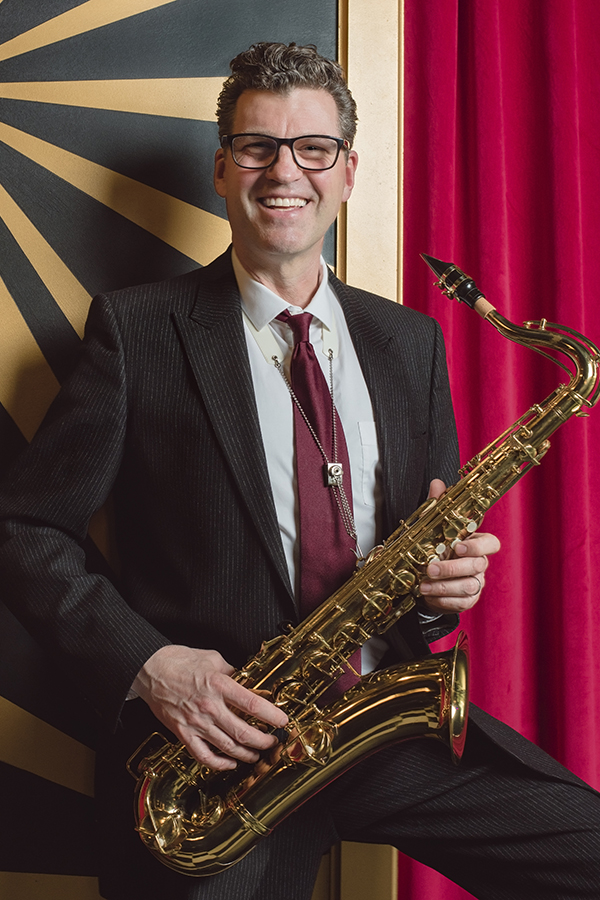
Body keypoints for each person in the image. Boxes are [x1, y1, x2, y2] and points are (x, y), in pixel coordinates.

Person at [0, 42, 598, 900]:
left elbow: (425, 574)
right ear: (222, 167)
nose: (286, 171)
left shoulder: (409, 343)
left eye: (313, 148)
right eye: (258, 146)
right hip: (213, 745)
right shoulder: (137, 332)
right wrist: (153, 666)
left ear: (349, 170)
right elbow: (27, 528)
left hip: (375, 726)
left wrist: (440, 593)